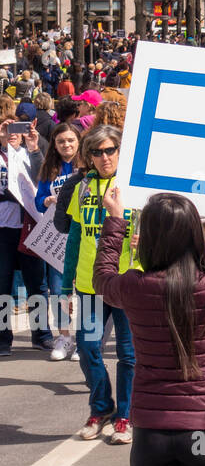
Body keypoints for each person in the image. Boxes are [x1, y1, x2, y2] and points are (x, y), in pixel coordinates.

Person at [94, 189, 205, 466]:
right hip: (203, 427)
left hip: (151, 430)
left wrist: (115, 219)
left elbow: (101, 278)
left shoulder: (135, 286)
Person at [61, 124, 139, 444]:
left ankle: (125, 416)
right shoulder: (82, 188)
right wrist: (66, 287)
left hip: (127, 283)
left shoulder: (135, 186)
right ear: (89, 156)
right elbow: (74, 239)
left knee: (128, 353)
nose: (104, 157)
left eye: (110, 150)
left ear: (120, 151)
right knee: (88, 348)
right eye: (97, 151)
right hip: (91, 285)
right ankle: (101, 407)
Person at [0, 117, 47, 356]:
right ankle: (2, 338)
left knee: (36, 283)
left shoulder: (31, 152)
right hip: (3, 227)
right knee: (2, 284)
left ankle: (41, 334)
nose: (11, 134)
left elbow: (43, 177)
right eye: (6, 129)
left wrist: (32, 146)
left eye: (16, 129)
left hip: (31, 225)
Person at [35, 121, 81, 360]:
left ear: (79, 141)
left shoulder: (87, 165)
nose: (66, 144)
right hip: (57, 237)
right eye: (61, 141)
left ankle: (84, 341)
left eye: (71, 140)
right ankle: (64, 337)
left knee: (84, 288)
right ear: (54, 143)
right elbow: (38, 199)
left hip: (84, 235)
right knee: (58, 289)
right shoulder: (49, 168)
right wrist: (48, 201)